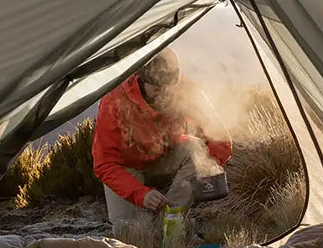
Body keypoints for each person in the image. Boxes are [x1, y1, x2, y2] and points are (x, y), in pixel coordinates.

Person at [92, 48, 232, 232]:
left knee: (193, 147)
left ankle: (172, 217)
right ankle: (150, 223)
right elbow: (105, 164)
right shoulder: (114, 101)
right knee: (131, 231)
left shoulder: (185, 91)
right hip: (127, 167)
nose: (164, 93)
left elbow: (220, 137)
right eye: (157, 88)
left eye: (169, 87)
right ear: (142, 80)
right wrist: (142, 195)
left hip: (166, 156)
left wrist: (210, 166)